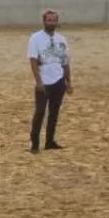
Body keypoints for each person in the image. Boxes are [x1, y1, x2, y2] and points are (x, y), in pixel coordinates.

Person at [27, 9, 72, 152]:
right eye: (49, 20)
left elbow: (65, 61)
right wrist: (39, 81)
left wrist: (68, 82)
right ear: (44, 21)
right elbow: (33, 61)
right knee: (40, 112)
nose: (52, 23)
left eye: (54, 20)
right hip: (44, 81)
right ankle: (34, 144)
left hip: (59, 80)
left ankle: (50, 141)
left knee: (54, 113)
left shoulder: (62, 39)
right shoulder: (35, 38)